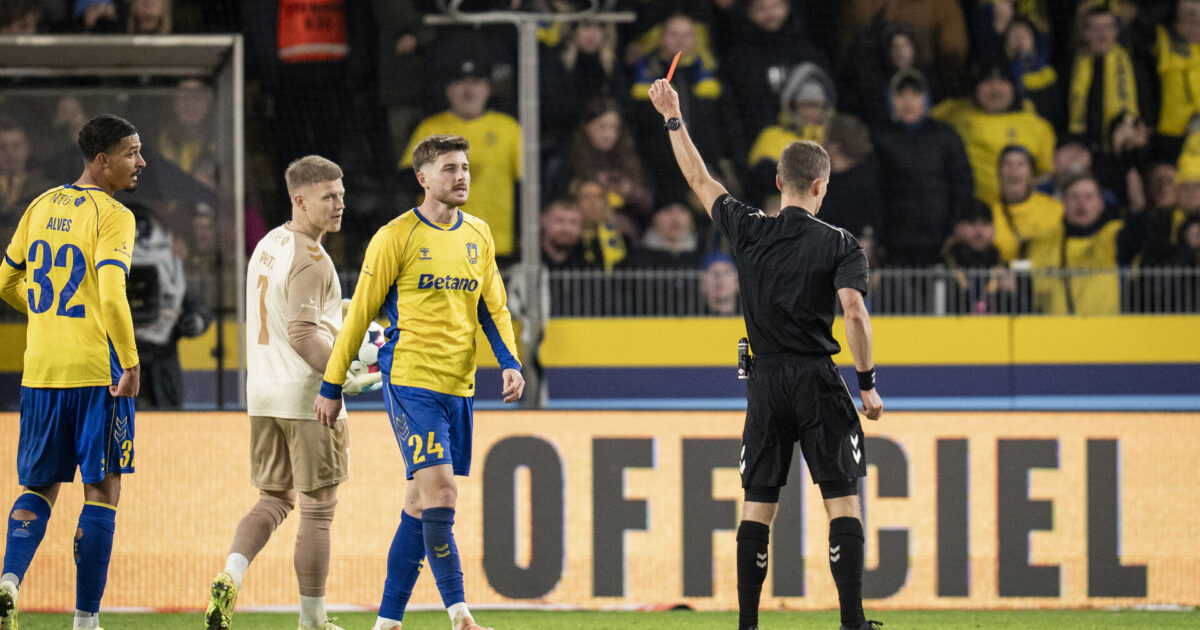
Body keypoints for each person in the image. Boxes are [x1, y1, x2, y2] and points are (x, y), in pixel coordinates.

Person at [648, 78, 884, 630]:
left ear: (779, 182)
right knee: (841, 498)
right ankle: (852, 622)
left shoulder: (749, 229)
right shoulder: (840, 243)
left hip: (764, 379)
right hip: (816, 378)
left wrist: (673, 118)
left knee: (759, 502)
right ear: (820, 187)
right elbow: (853, 310)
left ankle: (748, 624)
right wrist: (867, 380)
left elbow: (698, 179)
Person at [315, 135, 524, 630]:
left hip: (460, 385)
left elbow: (491, 307)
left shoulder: (479, 235)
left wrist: (510, 362)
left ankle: (387, 620)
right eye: (449, 168)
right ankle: (460, 614)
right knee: (443, 493)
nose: (462, 176)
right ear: (422, 178)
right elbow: (360, 312)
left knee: (419, 503)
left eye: (465, 167)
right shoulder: (396, 237)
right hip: (410, 381)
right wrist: (330, 385)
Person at [0, 114, 145, 630]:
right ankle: (86, 620)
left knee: (37, 488)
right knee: (101, 492)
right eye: (132, 153)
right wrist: (128, 360)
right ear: (102, 161)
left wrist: (45, 312)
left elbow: (6, 279)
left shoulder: (39, 205)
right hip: (96, 373)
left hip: (40, 373)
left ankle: (9, 582)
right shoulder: (112, 215)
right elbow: (110, 291)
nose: (141, 162)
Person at [205, 156, 356, 630]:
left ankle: (231, 572)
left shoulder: (270, 243)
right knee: (318, 510)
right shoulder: (312, 258)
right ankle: (313, 619)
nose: (339, 205)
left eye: (342, 194)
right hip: (308, 400)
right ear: (300, 199)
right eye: (328, 196)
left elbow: (290, 314)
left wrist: (341, 315)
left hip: (263, 396)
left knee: (275, 497)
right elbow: (303, 334)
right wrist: (342, 378)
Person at [400, 60, 521, 259]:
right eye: (460, 82)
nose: (468, 89)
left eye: (476, 82)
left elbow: (524, 186)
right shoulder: (430, 128)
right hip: (440, 241)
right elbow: (407, 180)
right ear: (448, 90)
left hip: (494, 241)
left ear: (488, 89)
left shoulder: (509, 128)